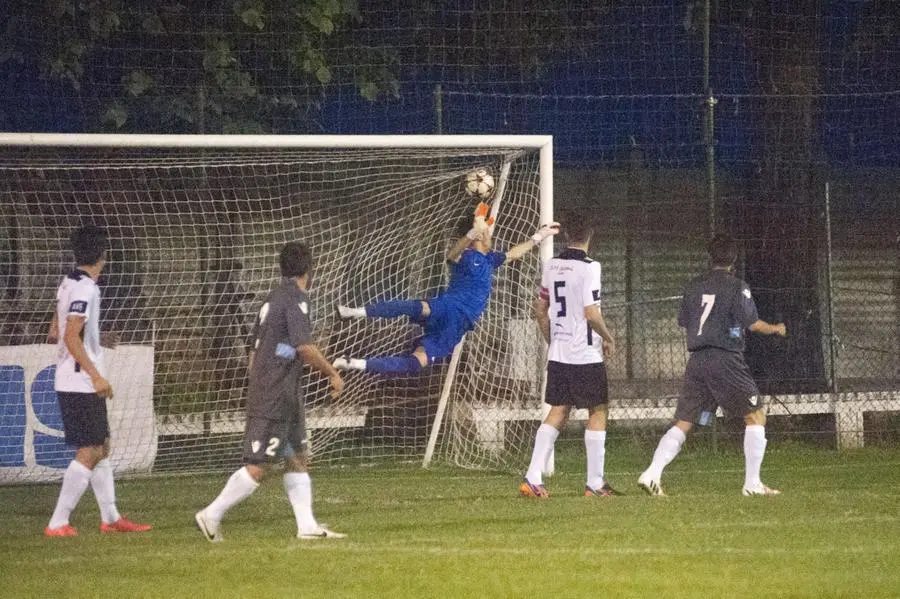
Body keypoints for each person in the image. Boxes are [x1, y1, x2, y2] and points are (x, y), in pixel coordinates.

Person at [195, 241, 346, 542]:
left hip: (282, 392)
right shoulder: (295, 300)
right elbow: (305, 347)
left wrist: (263, 379)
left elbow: (253, 350)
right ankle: (211, 514)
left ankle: (307, 526)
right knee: (258, 465)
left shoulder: (272, 299)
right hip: (275, 395)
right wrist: (332, 373)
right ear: (308, 269)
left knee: (299, 456)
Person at [637, 234, 787, 497]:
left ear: (710, 257)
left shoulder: (694, 286)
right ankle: (752, 484)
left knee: (684, 421)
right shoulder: (738, 287)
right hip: (725, 357)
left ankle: (652, 473)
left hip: (697, 360)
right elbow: (752, 324)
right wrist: (776, 328)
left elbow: (684, 321)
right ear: (734, 259)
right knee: (755, 414)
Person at [333, 201, 560, 374]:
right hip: (450, 307)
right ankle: (354, 312)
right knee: (416, 307)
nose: (492, 236)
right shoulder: (467, 255)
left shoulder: (491, 259)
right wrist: (473, 231)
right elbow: (452, 255)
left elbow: (513, 253)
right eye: (489, 232)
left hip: (460, 325)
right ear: (479, 236)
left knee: (417, 362)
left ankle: (355, 363)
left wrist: (538, 236)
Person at [45, 224, 152, 537]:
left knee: (102, 446)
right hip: (79, 382)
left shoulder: (68, 282)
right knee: (91, 450)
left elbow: (55, 332)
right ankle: (57, 522)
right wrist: (96, 376)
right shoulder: (85, 288)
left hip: (71, 379)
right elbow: (67, 334)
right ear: (104, 255)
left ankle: (111, 518)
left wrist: (97, 338)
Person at [520, 217, 618, 498]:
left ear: (565, 238)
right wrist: (609, 338)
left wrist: (551, 340)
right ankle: (595, 484)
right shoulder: (590, 267)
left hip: (560, 353)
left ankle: (532, 477)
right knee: (598, 410)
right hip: (585, 354)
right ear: (590, 236)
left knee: (559, 410)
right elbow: (591, 312)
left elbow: (539, 308)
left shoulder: (551, 266)